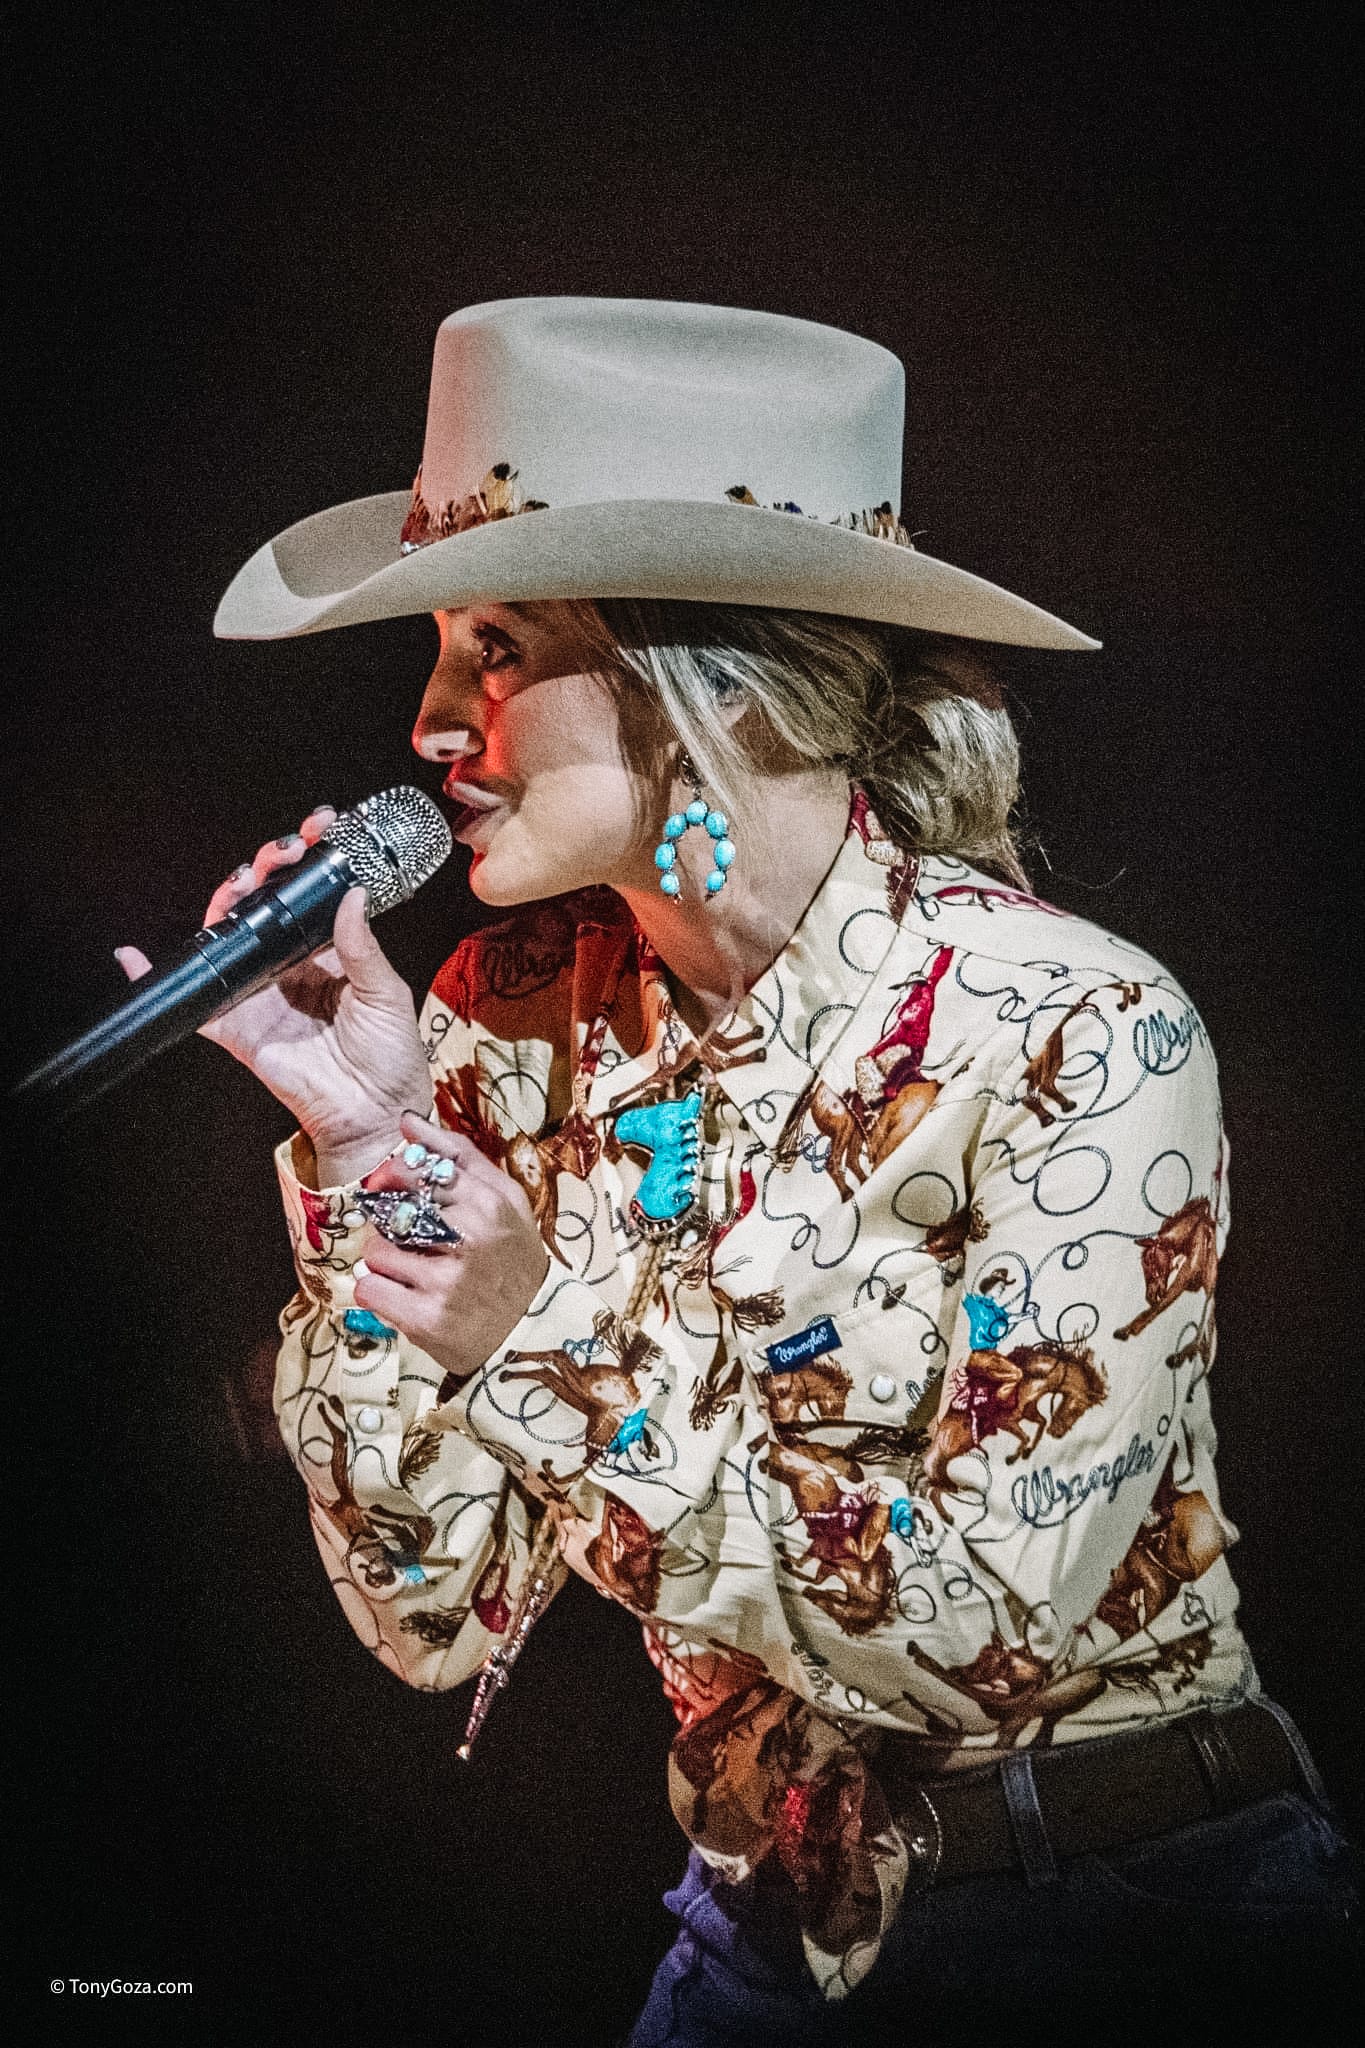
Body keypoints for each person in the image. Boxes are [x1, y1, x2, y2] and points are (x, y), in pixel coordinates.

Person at [122, 298, 1356, 2042]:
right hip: (761, 1935)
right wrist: (368, 1143)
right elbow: (425, 1608)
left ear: (711, 687)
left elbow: (975, 1634)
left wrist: (540, 1336)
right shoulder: (507, 1016)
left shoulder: (1074, 1026)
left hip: (1126, 1912)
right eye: (444, 651)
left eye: (495, 647)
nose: (432, 723)